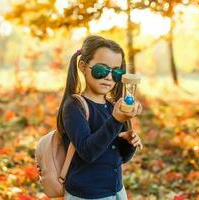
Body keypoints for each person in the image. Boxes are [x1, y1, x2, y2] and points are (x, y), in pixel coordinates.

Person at [56, 35, 143, 200]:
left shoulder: (113, 106)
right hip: (87, 194)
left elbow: (121, 159)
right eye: (101, 70)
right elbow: (87, 152)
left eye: (116, 73)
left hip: (116, 191)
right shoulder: (74, 106)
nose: (109, 77)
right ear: (83, 66)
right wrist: (116, 120)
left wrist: (128, 143)